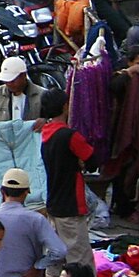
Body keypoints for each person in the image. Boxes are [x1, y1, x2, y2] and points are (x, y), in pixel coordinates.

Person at [37, 89, 95, 265]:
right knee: (80, 259)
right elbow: (93, 160)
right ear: (64, 107)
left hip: (53, 204)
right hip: (70, 205)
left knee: (55, 259)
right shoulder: (69, 136)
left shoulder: (45, 134)